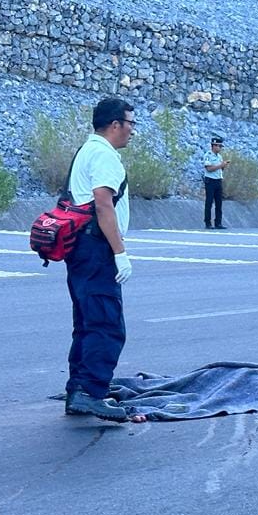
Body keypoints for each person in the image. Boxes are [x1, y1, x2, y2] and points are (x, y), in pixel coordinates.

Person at [63, 97, 144, 422]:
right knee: (107, 325)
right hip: (97, 249)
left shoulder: (87, 150)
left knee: (86, 323)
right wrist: (120, 253)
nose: (132, 131)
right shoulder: (104, 155)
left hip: (80, 249)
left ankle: (78, 389)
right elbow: (103, 205)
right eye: (130, 124)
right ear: (115, 124)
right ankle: (92, 394)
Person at [202, 135, 229, 229]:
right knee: (209, 202)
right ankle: (208, 223)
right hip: (210, 181)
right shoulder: (208, 155)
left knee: (219, 202)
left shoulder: (220, 157)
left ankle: (218, 222)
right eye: (219, 146)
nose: (220, 148)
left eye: (221, 146)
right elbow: (209, 169)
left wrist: (223, 166)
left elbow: (220, 169)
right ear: (214, 145)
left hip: (218, 180)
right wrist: (220, 165)